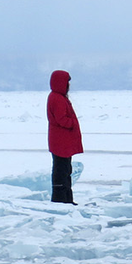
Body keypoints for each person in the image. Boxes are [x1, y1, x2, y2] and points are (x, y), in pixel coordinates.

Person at [46, 69, 83, 205]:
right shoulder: (57, 98)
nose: (68, 86)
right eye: (67, 82)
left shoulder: (58, 97)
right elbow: (61, 119)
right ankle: (60, 200)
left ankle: (67, 199)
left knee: (66, 170)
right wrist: (73, 122)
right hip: (60, 142)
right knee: (61, 171)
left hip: (62, 142)